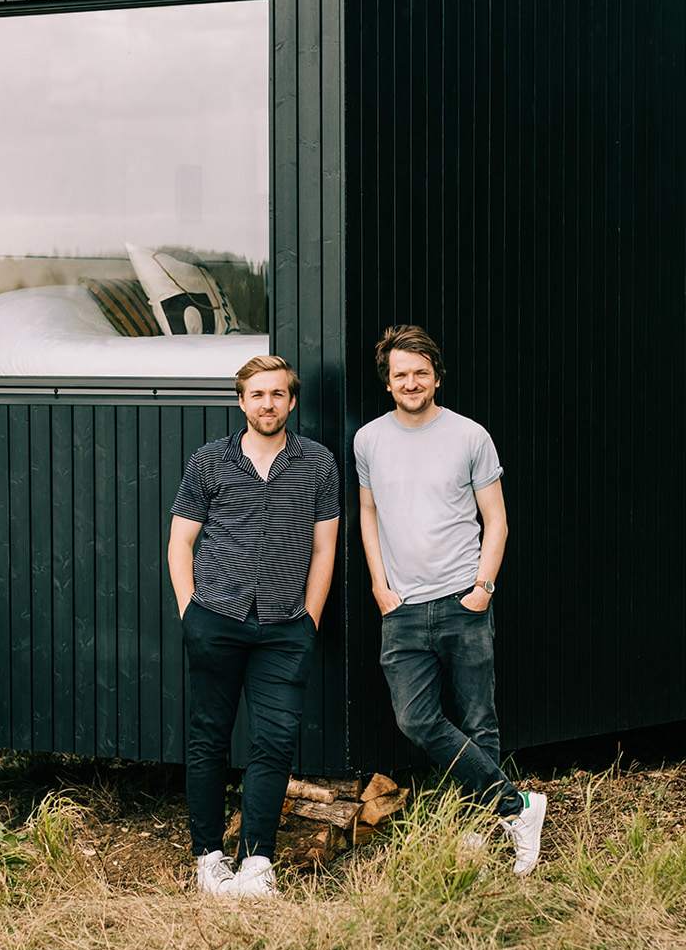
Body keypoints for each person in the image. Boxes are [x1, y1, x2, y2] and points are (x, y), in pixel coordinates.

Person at [353, 324, 547, 874]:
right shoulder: (369, 440)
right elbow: (368, 514)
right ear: (387, 384)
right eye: (399, 375)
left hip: (463, 597)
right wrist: (378, 586)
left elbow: (498, 519)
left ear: (437, 376)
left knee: (479, 720)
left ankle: (484, 829)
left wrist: (483, 588)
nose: (410, 382)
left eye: (420, 372)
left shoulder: (470, 436)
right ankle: (517, 806)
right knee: (416, 720)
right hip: (402, 607)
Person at [168, 354, 341, 898]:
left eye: (278, 394)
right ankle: (208, 857)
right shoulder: (208, 462)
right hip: (215, 618)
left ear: (292, 401)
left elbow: (324, 546)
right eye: (257, 394)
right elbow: (180, 542)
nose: (268, 404)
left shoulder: (318, 463)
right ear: (241, 401)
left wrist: (309, 619)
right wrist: (189, 611)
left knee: (274, 742)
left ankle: (257, 864)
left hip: (285, 625)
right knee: (209, 740)